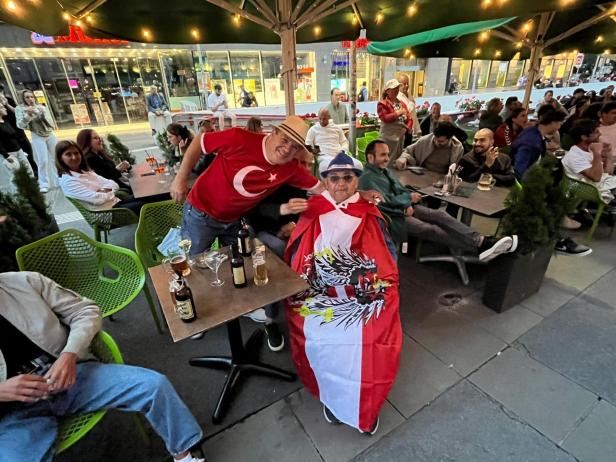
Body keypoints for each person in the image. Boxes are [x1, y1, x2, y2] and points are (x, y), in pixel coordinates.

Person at [0, 271, 206, 462]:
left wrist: (69, 354)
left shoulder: (25, 282)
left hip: (71, 376)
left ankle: (185, 456)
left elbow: (86, 310)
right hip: (12, 414)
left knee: (153, 386)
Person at [285, 152, 401, 435]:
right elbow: (299, 257)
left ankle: (365, 405)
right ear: (325, 181)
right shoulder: (312, 208)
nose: (340, 184)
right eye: (334, 178)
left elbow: (387, 260)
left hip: (365, 289)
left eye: (348, 178)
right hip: (317, 289)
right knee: (322, 333)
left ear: (356, 181)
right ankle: (333, 395)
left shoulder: (369, 210)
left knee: (369, 335)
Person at [360, 139, 518, 259]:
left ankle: (481, 241)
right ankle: (479, 246)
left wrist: (407, 201)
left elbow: (399, 190)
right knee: (430, 228)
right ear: (370, 157)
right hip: (391, 218)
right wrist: (406, 200)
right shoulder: (367, 178)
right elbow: (383, 202)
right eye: (383, 155)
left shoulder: (384, 171)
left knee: (439, 215)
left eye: (388, 154)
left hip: (404, 208)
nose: (387, 158)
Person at [247, 149, 315, 351]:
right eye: (301, 164)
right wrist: (281, 227)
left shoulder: (305, 183)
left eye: (310, 164)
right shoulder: (273, 180)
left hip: (290, 231)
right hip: (262, 231)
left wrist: (295, 225)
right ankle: (271, 320)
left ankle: (308, 305)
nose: (306, 169)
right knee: (277, 254)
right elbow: (257, 211)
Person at [56, 140, 142, 214]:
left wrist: (102, 191)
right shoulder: (68, 181)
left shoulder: (86, 172)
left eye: (76, 153)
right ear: (61, 159)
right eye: (68, 154)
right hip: (108, 212)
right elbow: (97, 200)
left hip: (115, 203)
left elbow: (114, 184)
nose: (74, 157)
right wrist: (107, 191)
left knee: (151, 195)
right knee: (148, 203)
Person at [562, 118, 616, 204]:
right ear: (584, 137)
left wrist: (609, 154)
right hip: (590, 191)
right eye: (596, 132)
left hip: (602, 184)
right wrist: (597, 154)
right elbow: (596, 177)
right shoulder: (574, 156)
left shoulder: (588, 150)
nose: (600, 134)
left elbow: (608, 173)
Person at [15, 90, 57, 193]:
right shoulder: (20, 109)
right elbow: (20, 125)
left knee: (57, 157)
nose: (30, 99)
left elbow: (51, 122)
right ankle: (44, 184)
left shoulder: (41, 107)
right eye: (27, 97)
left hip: (49, 134)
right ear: (23, 99)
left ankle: (59, 180)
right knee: (43, 160)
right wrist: (28, 115)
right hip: (37, 135)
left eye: (31, 97)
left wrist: (41, 114)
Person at [512, 108, 567, 179]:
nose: (559, 127)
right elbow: (520, 168)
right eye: (560, 124)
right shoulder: (532, 141)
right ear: (553, 123)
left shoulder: (532, 130)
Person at [395, 121, 464, 174]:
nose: (437, 143)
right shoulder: (425, 140)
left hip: (442, 177)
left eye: (441, 141)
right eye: (435, 139)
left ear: (450, 139)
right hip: (422, 173)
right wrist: (403, 158)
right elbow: (407, 151)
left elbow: (456, 170)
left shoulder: (457, 148)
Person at [0, 84, 36, 176]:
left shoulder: (8, 100)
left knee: (29, 153)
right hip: (7, 136)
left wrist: (7, 104)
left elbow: (18, 112)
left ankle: (35, 173)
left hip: (18, 132)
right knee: (17, 162)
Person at [377, 79, 412, 164]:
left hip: (400, 137)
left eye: (397, 88)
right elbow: (385, 118)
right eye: (394, 88)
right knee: (385, 159)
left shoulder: (402, 103)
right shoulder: (382, 104)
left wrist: (408, 128)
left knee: (397, 159)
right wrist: (398, 113)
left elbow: (409, 118)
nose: (396, 90)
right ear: (388, 91)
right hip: (388, 138)